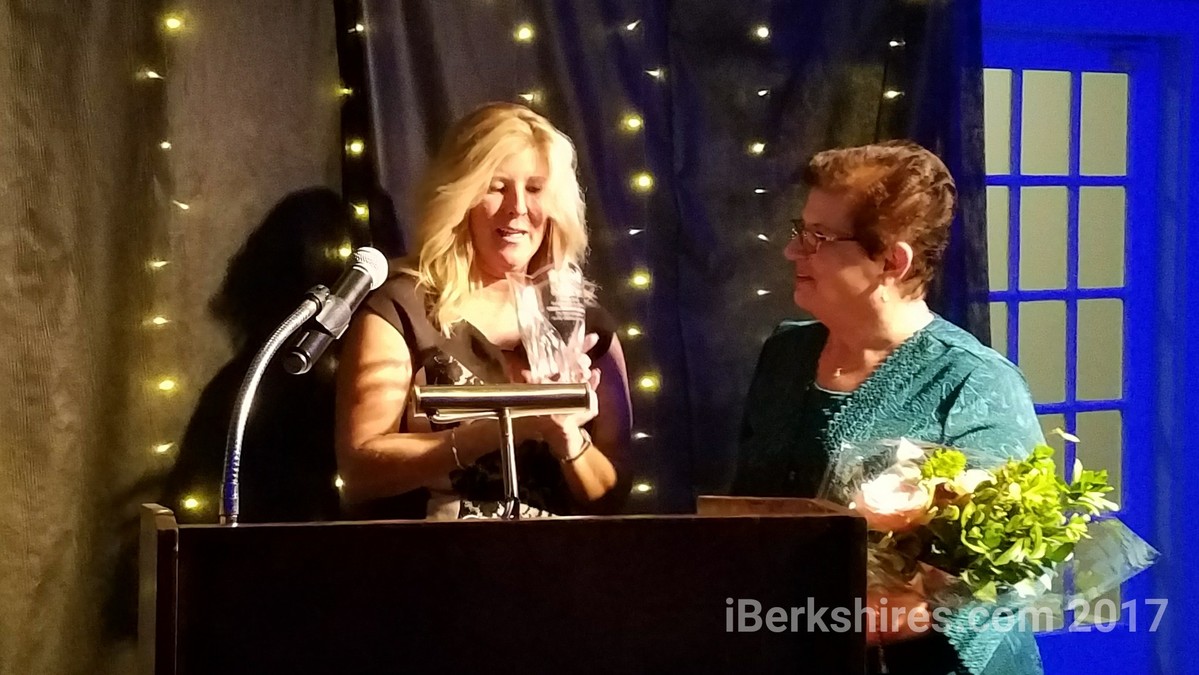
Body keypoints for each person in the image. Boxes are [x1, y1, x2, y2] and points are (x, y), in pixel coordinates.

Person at [731, 141, 1044, 675]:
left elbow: (1012, 575)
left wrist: (900, 614)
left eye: (818, 238)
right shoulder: (786, 352)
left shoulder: (976, 381)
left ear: (892, 262)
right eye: (800, 230)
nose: (792, 251)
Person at [335, 102, 633, 520]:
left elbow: (612, 499)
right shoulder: (403, 311)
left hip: (560, 557)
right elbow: (360, 471)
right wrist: (510, 424)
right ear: (460, 197)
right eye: (496, 187)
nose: (517, 207)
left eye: (534, 189)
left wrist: (568, 437)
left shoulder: (585, 324)